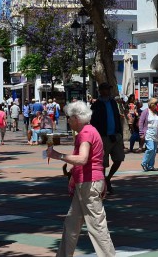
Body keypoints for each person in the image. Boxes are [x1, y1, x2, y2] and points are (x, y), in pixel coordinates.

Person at [47, 101, 115, 257]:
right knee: (71, 225)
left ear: (76, 117)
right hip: (89, 182)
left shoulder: (85, 133)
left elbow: (83, 159)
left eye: (69, 117)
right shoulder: (90, 130)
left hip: (89, 183)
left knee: (97, 227)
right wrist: (73, 177)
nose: (67, 120)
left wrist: (59, 155)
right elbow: (90, 160)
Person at [90, 82, 125, 195]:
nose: (108, 91)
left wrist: (120, 134)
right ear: (100, 90)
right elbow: (93, 122)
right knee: (103, 163)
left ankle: (108, 178)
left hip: (116, 136)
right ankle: (102, 185)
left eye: (108, 89)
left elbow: (117, 118)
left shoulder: (113, 102)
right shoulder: (96, 105)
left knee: (119, 159)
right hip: (103, 137)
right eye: (105, 89)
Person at [139, 98, 158, 171]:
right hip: (148, 132)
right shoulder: (145, 112)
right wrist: (141, 132)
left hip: (155, 132)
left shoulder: (157, 112)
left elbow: (157, 122)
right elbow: (141, 122)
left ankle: (151, 166)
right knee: (150, 148)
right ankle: (144, 163)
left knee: (154, 151)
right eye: (156, 104)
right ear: (152, 104)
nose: (157, 105)